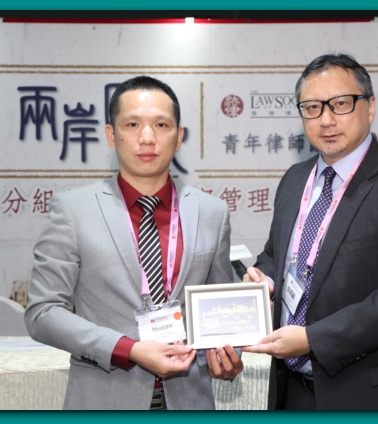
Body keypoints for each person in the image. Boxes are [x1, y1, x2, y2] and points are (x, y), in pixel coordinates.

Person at [242, 53, 378, 410]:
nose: (326, 119)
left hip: (372, 396)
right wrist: (265, 278)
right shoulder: (294, 180)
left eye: (340, 104)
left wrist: (313, 339)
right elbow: (277, 255)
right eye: (312, 107)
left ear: (370, 108)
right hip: (293, 392)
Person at [25, 76, 243, 410]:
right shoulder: (73, 210)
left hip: (189, 401)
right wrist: (129, 349)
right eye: (132, 124)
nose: (147, 137)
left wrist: (227, 353)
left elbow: (219, 311)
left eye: (161, 124)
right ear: (111, 135)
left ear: (179, 136)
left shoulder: (212, 212)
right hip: (104, 399)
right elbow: (43, 312)